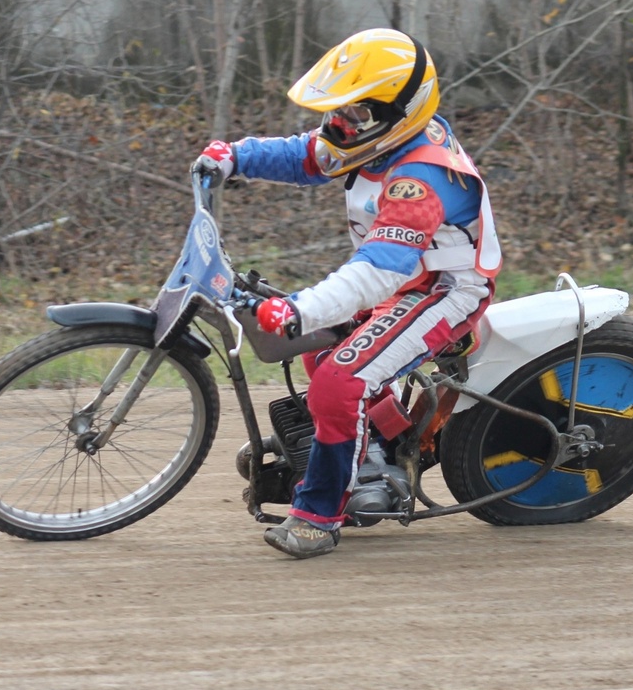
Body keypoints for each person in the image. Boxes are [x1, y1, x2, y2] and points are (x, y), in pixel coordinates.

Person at [193, 28, 502, 559]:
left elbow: (380, 271)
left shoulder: (419, 179)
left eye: (354, 115)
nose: (338, 125)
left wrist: (297, 308)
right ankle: (377, 448)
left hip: (444, 291)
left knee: (338, 384)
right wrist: (236, 157)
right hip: (405, 280)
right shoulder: (379, 138)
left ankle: (319, 516)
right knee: (316, 351)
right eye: (338, 111)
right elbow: (306, 157)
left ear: (396, 113)